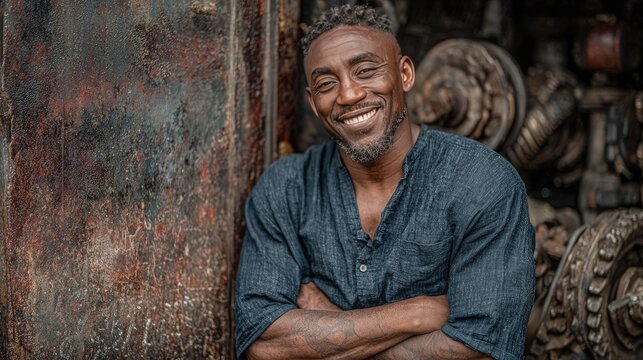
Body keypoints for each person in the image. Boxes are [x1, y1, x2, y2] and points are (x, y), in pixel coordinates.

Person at [235, 4, 535, 359]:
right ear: (313, 104)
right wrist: (418, 313)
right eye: (326, 83)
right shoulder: (285, 189)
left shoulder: (482, 183)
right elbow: (264, 344)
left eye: (365, 70)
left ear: (404, 74)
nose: (349, 95)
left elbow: (480, 351)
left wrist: (329, 323)